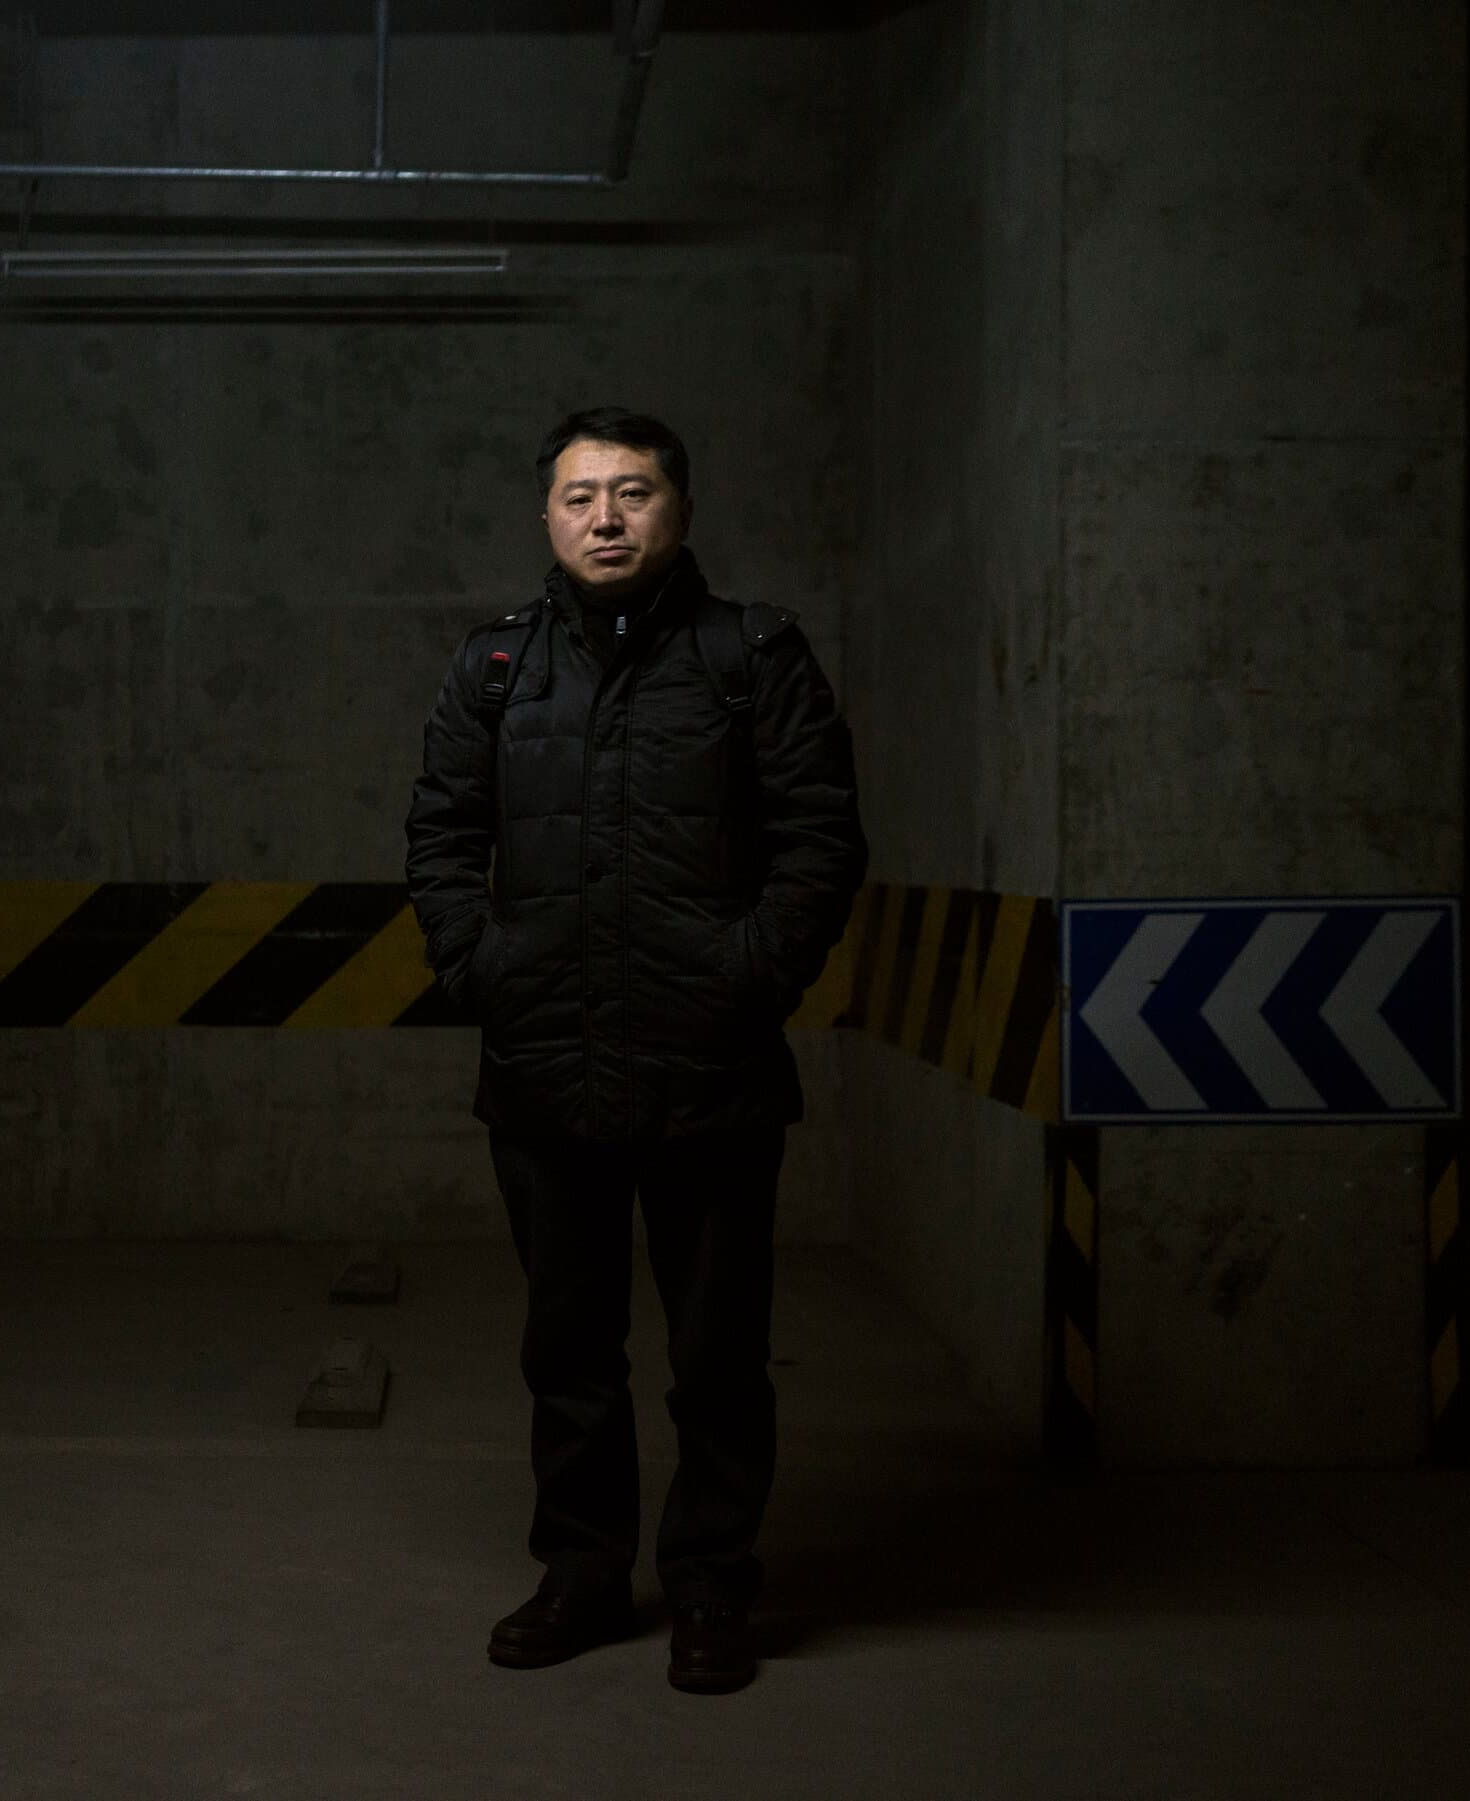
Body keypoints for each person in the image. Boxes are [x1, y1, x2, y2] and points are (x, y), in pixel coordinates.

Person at [404, 407, 866, 1694]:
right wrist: (485, 969)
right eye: (580, 495)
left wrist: (745, 977)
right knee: (568, 1352)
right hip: (546, 1070)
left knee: (718, 1358)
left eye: (633, 492)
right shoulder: (497, 667)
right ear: (547, 516)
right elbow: (440, 834)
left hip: (711, 1072)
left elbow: (822, 840)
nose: (605, 517)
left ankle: (713, 1585)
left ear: (680, 510)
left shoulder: (750, 657)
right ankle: (584, 1573)